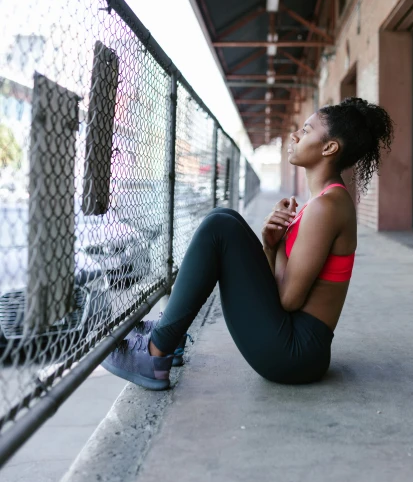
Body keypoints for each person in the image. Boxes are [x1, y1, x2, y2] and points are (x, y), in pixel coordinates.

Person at [102, 97, 394, 389]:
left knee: (220, 226)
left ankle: (155, 353)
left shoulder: (327, 207)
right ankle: (169, 336)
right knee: (223, 217)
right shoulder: (321, 203)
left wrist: (275, 247)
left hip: (295, 354)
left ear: (329, 148)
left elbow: (287, 299)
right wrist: (271, 244)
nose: (295, 136)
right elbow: (278, 288)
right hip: (296, 345)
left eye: (306, 130)